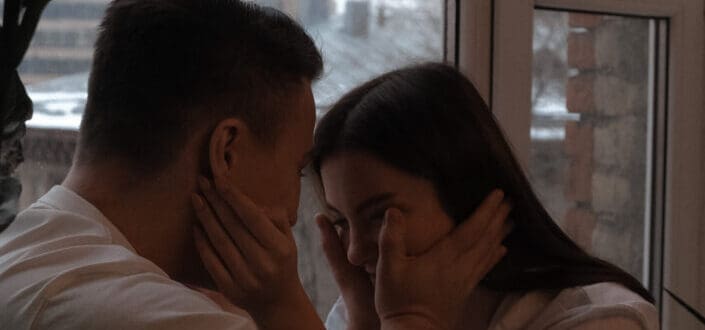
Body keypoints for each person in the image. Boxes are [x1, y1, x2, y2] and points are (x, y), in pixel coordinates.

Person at [0, 1, 325, 329]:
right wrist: (285, 306)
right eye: (296, 170)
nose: (294, 212)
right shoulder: (160, 319)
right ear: (226, 153)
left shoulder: (22, 250)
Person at [308, 63, 659, 330]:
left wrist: (409, 321)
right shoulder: (363, 308)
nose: (353, 253)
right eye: (341, 222)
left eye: (380, 216)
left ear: (465, 194)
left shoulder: (600, 318)